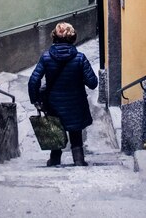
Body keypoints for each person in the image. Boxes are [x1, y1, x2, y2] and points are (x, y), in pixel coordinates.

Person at [28, 22, 98, 167]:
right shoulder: (80, 58)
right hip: (76, 104)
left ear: (54, 37)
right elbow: (92, 83)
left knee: (55, 132)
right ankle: (79, 161)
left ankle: (54, 161)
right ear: (72, 38)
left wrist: (35, 100)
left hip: (53, 104)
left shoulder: (46, 57)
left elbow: (34, 80)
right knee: (75, 133)